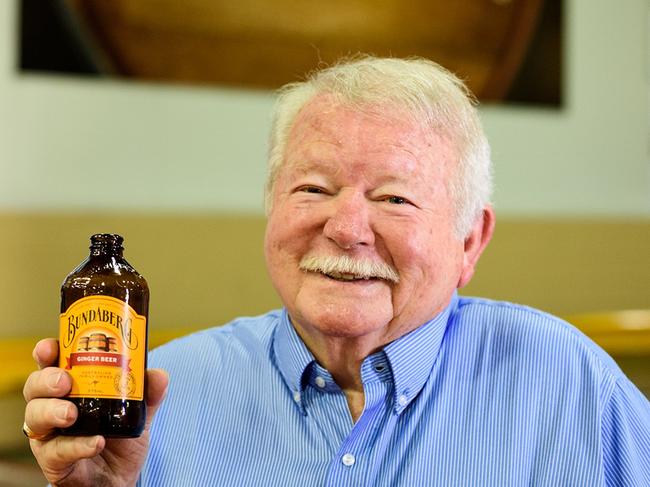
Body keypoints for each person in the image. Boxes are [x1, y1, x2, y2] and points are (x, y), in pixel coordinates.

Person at [23, 56, 649, 486]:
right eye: (314, 188)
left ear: (469, 241)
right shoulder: (160, 395)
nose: (346, 228)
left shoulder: (567, 384)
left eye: (394, 198)